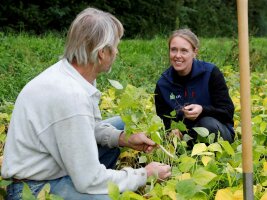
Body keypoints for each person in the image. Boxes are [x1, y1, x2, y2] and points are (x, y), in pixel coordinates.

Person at [1, 7, 171, 200]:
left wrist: (124, 138)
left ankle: (100, 177)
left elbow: (88, 127)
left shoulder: (73, 74)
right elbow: (89, 180)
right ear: (101, 53)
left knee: (118, 125)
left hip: (53, 165)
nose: (117, 51)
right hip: (32, 188)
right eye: (115, 46)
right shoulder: (70, 96)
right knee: (110, 197)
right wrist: (145, 174)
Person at [154, 28, 235, 146]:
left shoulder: (211, 73)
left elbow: (227, 112)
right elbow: (163, 119)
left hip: (217, 134)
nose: (178, 55)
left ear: (194, 52)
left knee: (207, 125)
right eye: (173, 50)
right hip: (183, 139)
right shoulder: (163, 84)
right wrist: (172, 130)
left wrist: (203, 110)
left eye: (184, 51)